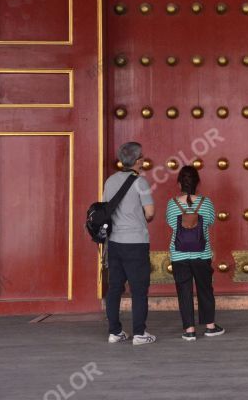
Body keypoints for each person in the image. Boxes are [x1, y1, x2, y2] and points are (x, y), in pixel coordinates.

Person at [104, 142, 156, 345]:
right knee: (139, 289)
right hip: (135, 242)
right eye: (141, 156)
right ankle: (140, 333)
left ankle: (115, 332)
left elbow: (105, 208)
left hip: (115, 242)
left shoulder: (109, 181)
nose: (143, 159)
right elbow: (150, 212)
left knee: (115, 287)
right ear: (137, 161)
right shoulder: (140, 182)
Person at [166, 166, 225, 341]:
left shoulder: (172, 204)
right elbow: (210, 221)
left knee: (184, 291)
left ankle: (189, 330)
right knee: (205, 289)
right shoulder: (206, 203)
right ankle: (210, 327)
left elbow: (171, 224)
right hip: (202, 254)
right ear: (197, 183)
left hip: (179, 255)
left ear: (179, 184)